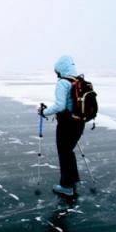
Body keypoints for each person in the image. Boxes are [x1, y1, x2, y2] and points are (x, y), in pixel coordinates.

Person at [38, 56, 85, 197]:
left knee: (64, 154)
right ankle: (72, 181)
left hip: (67, 124)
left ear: (60, 69)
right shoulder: (78, 81)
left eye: (56, 70)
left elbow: (60, 105)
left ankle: (66, 186)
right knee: (69, 152)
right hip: (79, 123)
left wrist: (43, 112)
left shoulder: (63, 83)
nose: (56, 73)